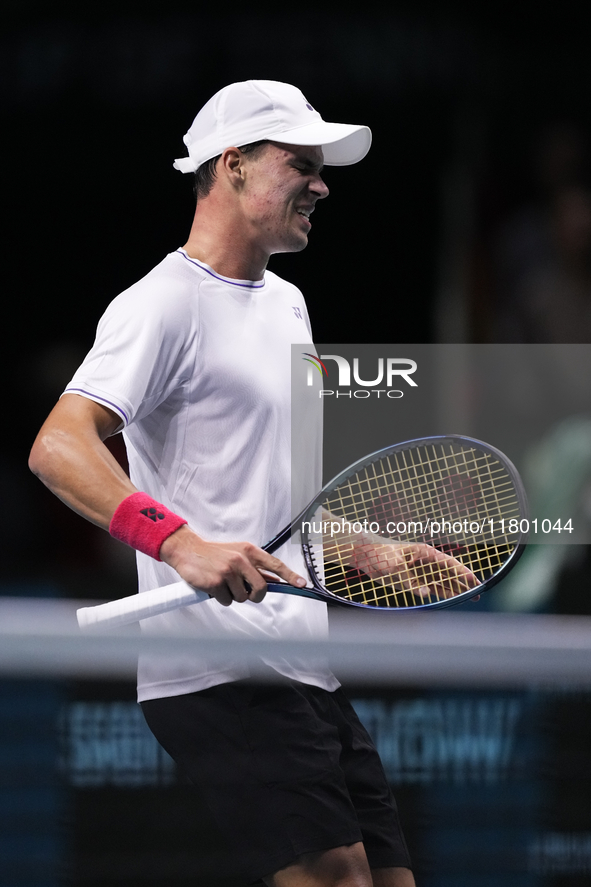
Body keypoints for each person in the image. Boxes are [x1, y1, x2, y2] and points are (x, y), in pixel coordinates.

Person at [30, 80, 473, 886]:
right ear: (231, 165)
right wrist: (179, 542)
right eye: (300, 164)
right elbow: (59, 445)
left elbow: (284, 496)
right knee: (337, 877)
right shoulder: (160, 305)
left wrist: (369, 549)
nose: (322, 183)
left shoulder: (290, 305)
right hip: (213, 666)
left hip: (301, 666)